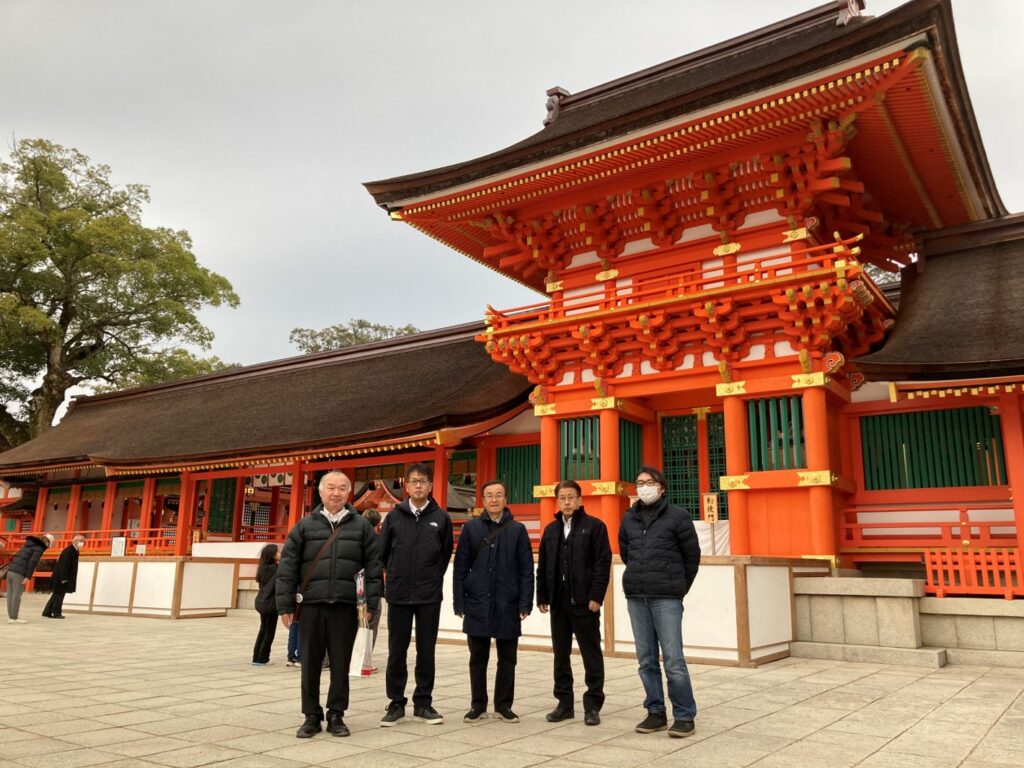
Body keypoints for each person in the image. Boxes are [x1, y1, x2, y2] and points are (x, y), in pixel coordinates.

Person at [277, 470, 381, 739]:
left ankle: (336, 713)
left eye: (342, 488)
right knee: (309, 662)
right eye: (331, 488)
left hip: (347, 606)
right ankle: (311, 715)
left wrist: (370, 604)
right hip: (312, 604)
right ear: (321, 492)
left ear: (349, 493)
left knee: (341, 663)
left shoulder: (362, 527)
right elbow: (287, 567)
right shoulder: (304, 526)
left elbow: (373, 568)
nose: (336, 493)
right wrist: (285, 605)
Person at [619, 465, 701, 738]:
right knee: (646, 659)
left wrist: (678, 587)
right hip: (637, 596)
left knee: (674, 659)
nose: (643, 487)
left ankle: (684, 714)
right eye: (639, 482)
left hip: (666, 596)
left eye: (649, 482)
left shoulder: (678, 516)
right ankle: (655, 711)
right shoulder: (629, 519)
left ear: (661, 487)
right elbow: (626, 552)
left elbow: (692, 557)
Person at [378, 463, 454, 727]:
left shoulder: (441, 518)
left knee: (426, 651)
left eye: (423, 481)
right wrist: (396, 576)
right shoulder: (394, 517)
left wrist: (430, 578)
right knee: (396, 650)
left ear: (430, 485)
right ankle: (396, 702)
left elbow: (444, 556)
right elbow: (383, 553)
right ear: (406, 486)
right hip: (398, 593)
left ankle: (423, 702)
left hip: (428, 595)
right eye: (414, 481)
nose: (419, 485)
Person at [452, 479, 533, 724]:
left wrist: (525, 603)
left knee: (507, 658)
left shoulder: (517, 530)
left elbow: (526, 569)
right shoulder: (471, 528)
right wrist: (459, 602)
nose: (494, 499)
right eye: (489, 495)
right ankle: (478, 705)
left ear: (505, 499)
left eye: (499, 494)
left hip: (507, 602)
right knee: (478, 657)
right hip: (477, 602)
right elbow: (460, 568)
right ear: (483, 500)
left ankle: (504, 705)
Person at [536, 480, 611, 726]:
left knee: (591, 653)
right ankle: (564, 704)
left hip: (584, 602)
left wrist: (596, 596)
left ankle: (592, 705)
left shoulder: (595, 527)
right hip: (558, 601)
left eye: (571, 497)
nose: (567, 502)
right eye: (562, 498)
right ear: (557, 501)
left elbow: (602, 563)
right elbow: (543, 566)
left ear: (580, 500)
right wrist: (542, 596)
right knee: (560, 654)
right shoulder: (550, 530)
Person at [7, 533, 53, 623]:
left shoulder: (28, 544)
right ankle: (14, 618)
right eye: (49, 545)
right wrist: (28, 576)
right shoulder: (39, 548)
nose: (47, 547)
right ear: (46, 542)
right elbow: (33, 562)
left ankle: (12, 616)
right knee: (17, 596)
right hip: (19, 572)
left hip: (11, 570)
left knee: (11, 595)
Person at [42, 534, 85, 619]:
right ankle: (56, 613)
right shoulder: (69, 551)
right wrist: (63, 578)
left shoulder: (75, 550)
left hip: (64, 577)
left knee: (56, 594)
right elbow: (64, 565)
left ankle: (47, 611)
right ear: (76, 542)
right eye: (82, 541)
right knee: (59, 595)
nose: (83, 543)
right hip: (61, 577)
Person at [252, 543, 279, 665]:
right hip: (271, 603)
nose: (280, 554)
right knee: (269, 632)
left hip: (261, 601)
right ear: (272, 555)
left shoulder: (261, 568)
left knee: (263, 629)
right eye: (277, 552)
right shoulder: (276, 568)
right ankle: (263, 658)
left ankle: (256, 657)